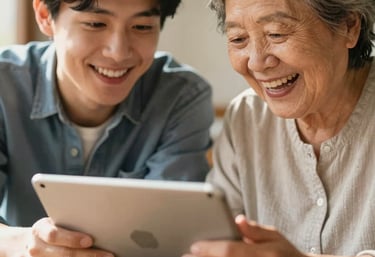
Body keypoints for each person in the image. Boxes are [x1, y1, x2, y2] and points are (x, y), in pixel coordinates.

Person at [0, 0, 214, 255]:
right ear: (45, 15)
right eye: (95, 23)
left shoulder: (181, 97)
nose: (118, 52)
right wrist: (25, 243)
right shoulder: (5, 85)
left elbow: (171, 233)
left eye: (142, 27)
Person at [183, 0, 375, 257]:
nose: (257, 62)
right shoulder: (247, 117)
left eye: (276, 33)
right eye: (238, 39)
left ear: (349, 27)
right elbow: (209, 233)